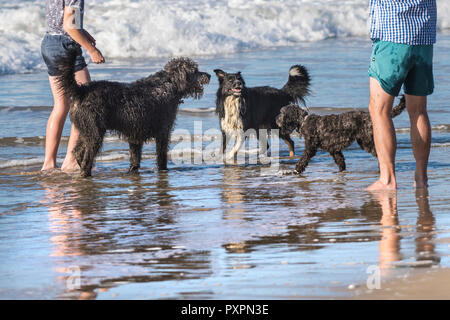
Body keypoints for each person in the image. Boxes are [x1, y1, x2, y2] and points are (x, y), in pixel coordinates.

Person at [367, 0, 436, 191]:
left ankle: (387, 179)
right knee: (419, 111)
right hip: (424, 34)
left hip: (393, 34)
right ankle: (421, 178)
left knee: (379, 110)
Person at [41, 0, 105, 172]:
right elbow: (69, 26)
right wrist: (91, 49)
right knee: (85, 104)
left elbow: (61, 20)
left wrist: (83, 33)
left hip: (49, 43)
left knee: (61, 105)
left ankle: (48, 164)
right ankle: (71, 159)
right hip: (65, 46)